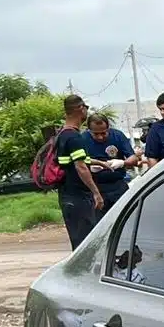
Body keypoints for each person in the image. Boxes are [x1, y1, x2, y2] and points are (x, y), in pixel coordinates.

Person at [52, 94, 103, 247]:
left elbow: (71, 161)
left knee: (78, 241)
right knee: (85, 244)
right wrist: (96, 192)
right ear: (80, 109)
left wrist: (100, 162)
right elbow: (80, 166)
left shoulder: (61, 134)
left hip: (66, 195)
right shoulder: (74, 137)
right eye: (86, 108)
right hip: (79, 197)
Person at [84, 113, 137, 215]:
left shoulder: (117, 136)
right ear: (89, 130)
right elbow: (78, 162)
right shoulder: (83, 139)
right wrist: (91, 165)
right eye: (96, 134)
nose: (100, 137)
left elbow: (133, 159)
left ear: (108, 129)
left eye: (103, 133)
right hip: (95, 188)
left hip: (118, 186)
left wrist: (122, 163)